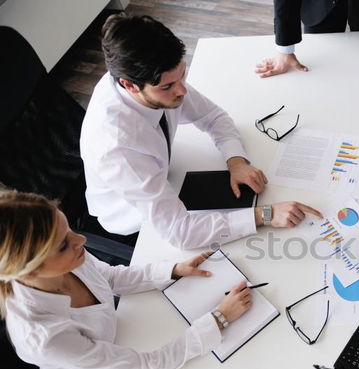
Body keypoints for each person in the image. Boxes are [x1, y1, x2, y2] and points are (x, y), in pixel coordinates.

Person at [0, 190, 253, 369]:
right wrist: (218, 319)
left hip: (113, 351)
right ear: (28, 271)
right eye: (63, 244)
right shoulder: (42, 335)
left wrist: (173, 270)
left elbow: (109, 278)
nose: (81, 240)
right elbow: (147, 367)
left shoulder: (69, 254)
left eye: (68, 230)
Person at [81, 13, 321, 250]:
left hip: (167, 178)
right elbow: (180, 232)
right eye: (168, 86)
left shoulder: (150, 77)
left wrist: (236, 161)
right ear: (129, 86)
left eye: (182, 75)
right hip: (138, 226)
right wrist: (265, 215)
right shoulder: (117, 147)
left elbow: (213, 117)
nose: (182, 91)